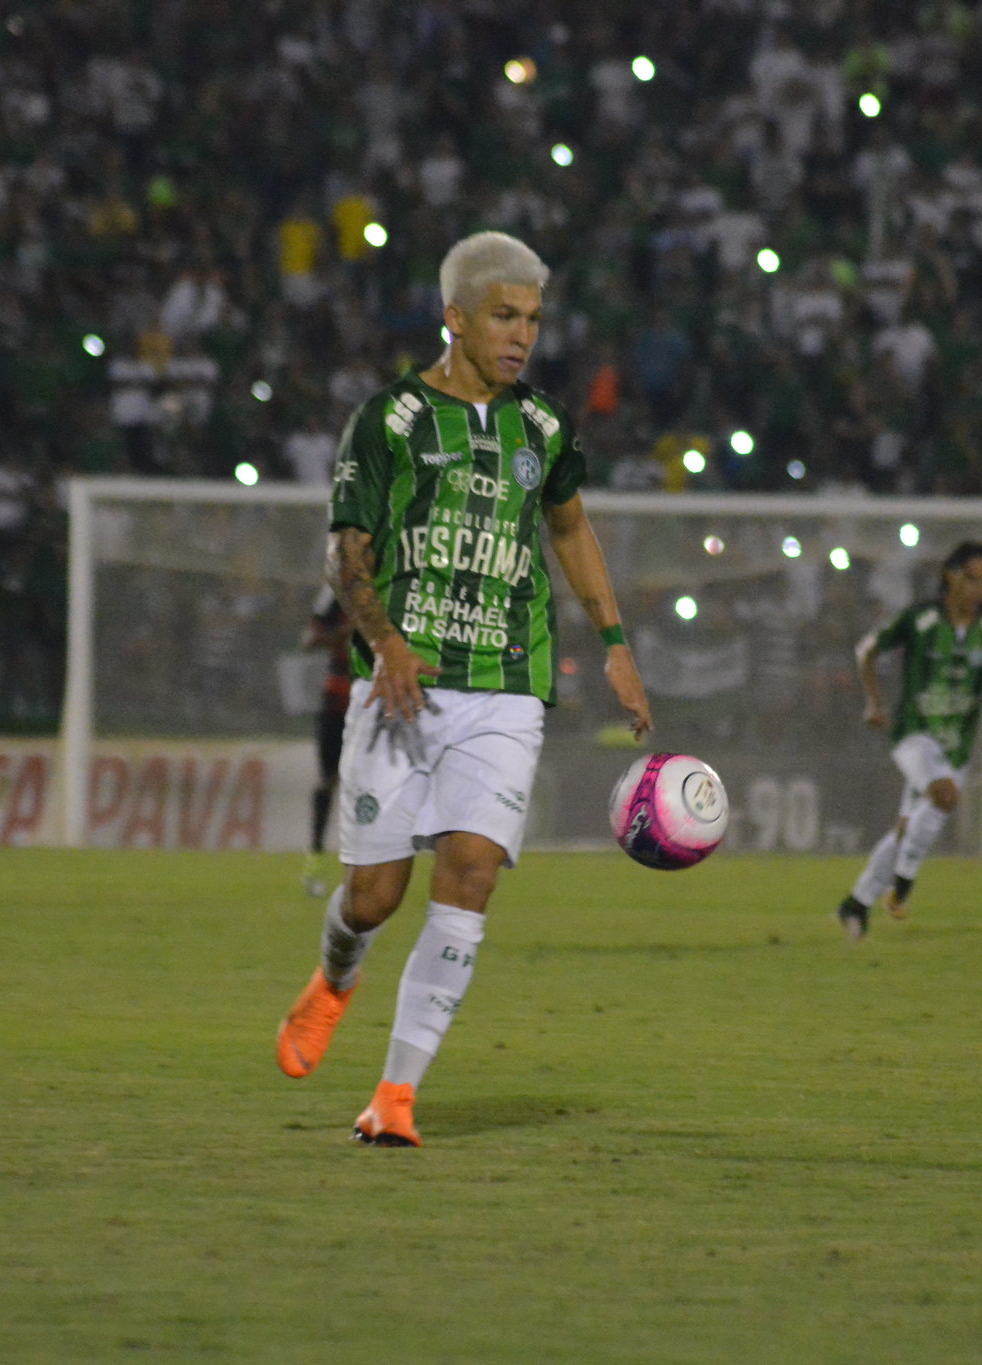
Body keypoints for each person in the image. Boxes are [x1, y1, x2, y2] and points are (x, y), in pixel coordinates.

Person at [273, 231, 653, 1148]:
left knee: (471, 873)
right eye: (504, 316)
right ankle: (334, 976)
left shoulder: (545, 427)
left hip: (505, 686)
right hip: (403, 682)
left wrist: (614, 641)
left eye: (533, 318)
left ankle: (395, 1094)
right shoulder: (390, 420)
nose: (523, 336)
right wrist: (387, 641)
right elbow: (345, 550)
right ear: (455, 318)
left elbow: (570, 530)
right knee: (374, 894)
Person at [837, 540, 982, 938]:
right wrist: (874, 703)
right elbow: (866, 651)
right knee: (945, 796)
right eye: (972, 579)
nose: (980, 590)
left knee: (907, 829)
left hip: (957, 744)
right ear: (950, 577)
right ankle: (902, 889)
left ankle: (856, 904)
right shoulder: (920, 619)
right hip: (914, 734)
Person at [298, 584, 352, 897]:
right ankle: (315, 860)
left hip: (378, 700)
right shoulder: (336, 591)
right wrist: (350, 628)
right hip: (339, 699)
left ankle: (367, 867)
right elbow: (309, 641)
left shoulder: (395, 581)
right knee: (328, 780)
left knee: (375, 784)